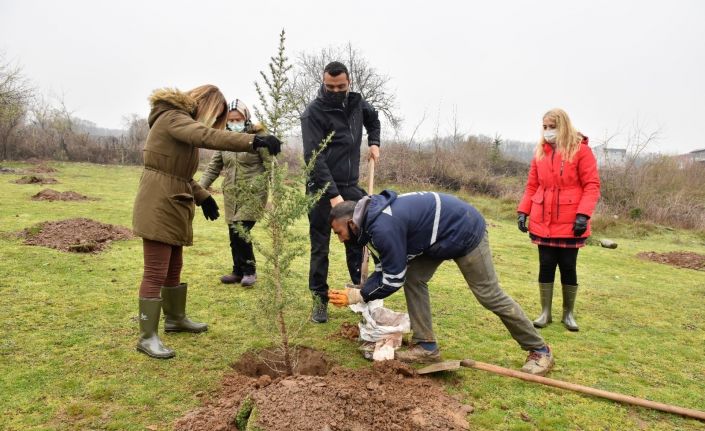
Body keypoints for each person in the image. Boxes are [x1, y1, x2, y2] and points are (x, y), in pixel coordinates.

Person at [327, 190, 554, 376]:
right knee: (414, 278)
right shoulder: (371, 222)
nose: (340, 239)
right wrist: (360, 292)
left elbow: (393, 279)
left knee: (489, 294)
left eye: (340, 233)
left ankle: (539, 350)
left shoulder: (382, 227)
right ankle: (426, 346)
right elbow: (385, 268)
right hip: (438, 238)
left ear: (351, 223)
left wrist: (359, 296)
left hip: (464, 230)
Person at [132, 85, 281, 359]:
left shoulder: (175, 121)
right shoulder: (173, 117)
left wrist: (202, 196)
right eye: (216, 118)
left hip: (174, 200)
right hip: (159, 202)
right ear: (207, 107)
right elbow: (206, 136)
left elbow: (180, 173)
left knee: (174, 264)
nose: (214, 124)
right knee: (155, 270)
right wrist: (252, 141)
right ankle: (147, 337)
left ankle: (175, 318)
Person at [301, 61, 381, 323]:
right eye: (330, 86)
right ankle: (319, 301)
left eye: (341, 86)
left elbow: (373, 119)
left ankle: (361, 296)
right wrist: (333, 195)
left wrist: (374, 142)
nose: (335, 91)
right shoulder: (313, 113)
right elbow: (313, 157)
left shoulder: (357, 103)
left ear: (349, 84)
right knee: (320, 246)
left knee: (357, 241)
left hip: (350, 184)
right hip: (322, 188)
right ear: (323, 83)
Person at [516, 108, 600, 332]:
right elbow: (532, 185)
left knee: (568, 266)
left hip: (571, 220)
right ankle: (545, 312)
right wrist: (523, 211)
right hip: (542, 219)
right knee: (545, 264)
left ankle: (568, 314)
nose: (548, 131)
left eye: (552, 127)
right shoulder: (539, 153)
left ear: (562, 126)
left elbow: (592, 185)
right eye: (544, 127)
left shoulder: (581, 151)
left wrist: (583, 214)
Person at [198, 99, 271, 287]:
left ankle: (250, 271)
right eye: (231, 120)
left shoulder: (258, 136)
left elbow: (272, 165)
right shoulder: (225, 139)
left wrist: (276, 193)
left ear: (246, 117)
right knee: (233, 233)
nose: (234, 122)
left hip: (253, 194)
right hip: (232, 194)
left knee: (241, 229)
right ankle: (237, 271)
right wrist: (198, 189)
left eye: (238, 119)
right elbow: (214, 167)